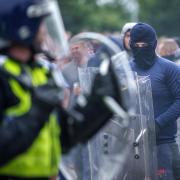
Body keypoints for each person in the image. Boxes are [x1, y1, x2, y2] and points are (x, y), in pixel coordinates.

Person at [0, 0, 125, 179]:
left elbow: (62, 138)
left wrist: (98, 105)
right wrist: (37, 111)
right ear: (23, 27)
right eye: (41, 24)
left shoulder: (41, 72)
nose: (45, 31)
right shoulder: (3, 75)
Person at [130, 22, 180, 180]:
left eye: (144, 44)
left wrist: (158, 124)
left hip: (163, 145)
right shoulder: (124, 70)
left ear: (154, 44)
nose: (140, 48)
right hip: (132, 147)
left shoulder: (169, 69)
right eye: (136, 44)